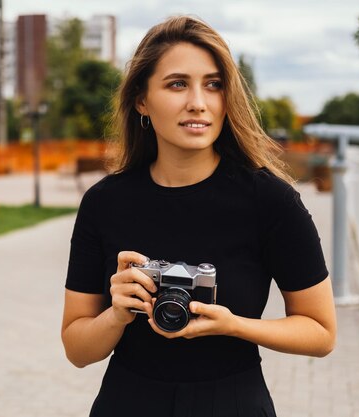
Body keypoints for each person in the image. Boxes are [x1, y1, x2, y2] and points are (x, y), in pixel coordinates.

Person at [61, 15, 336, 417]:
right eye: (177, 84)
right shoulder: (104, 203)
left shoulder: (270, 201)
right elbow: (76, 349)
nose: (198, 102)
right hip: (128, 402)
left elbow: (321, 332)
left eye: (213, 84)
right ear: (141, 99)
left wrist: (233, 325)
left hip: (234, 402)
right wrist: (116, 315)